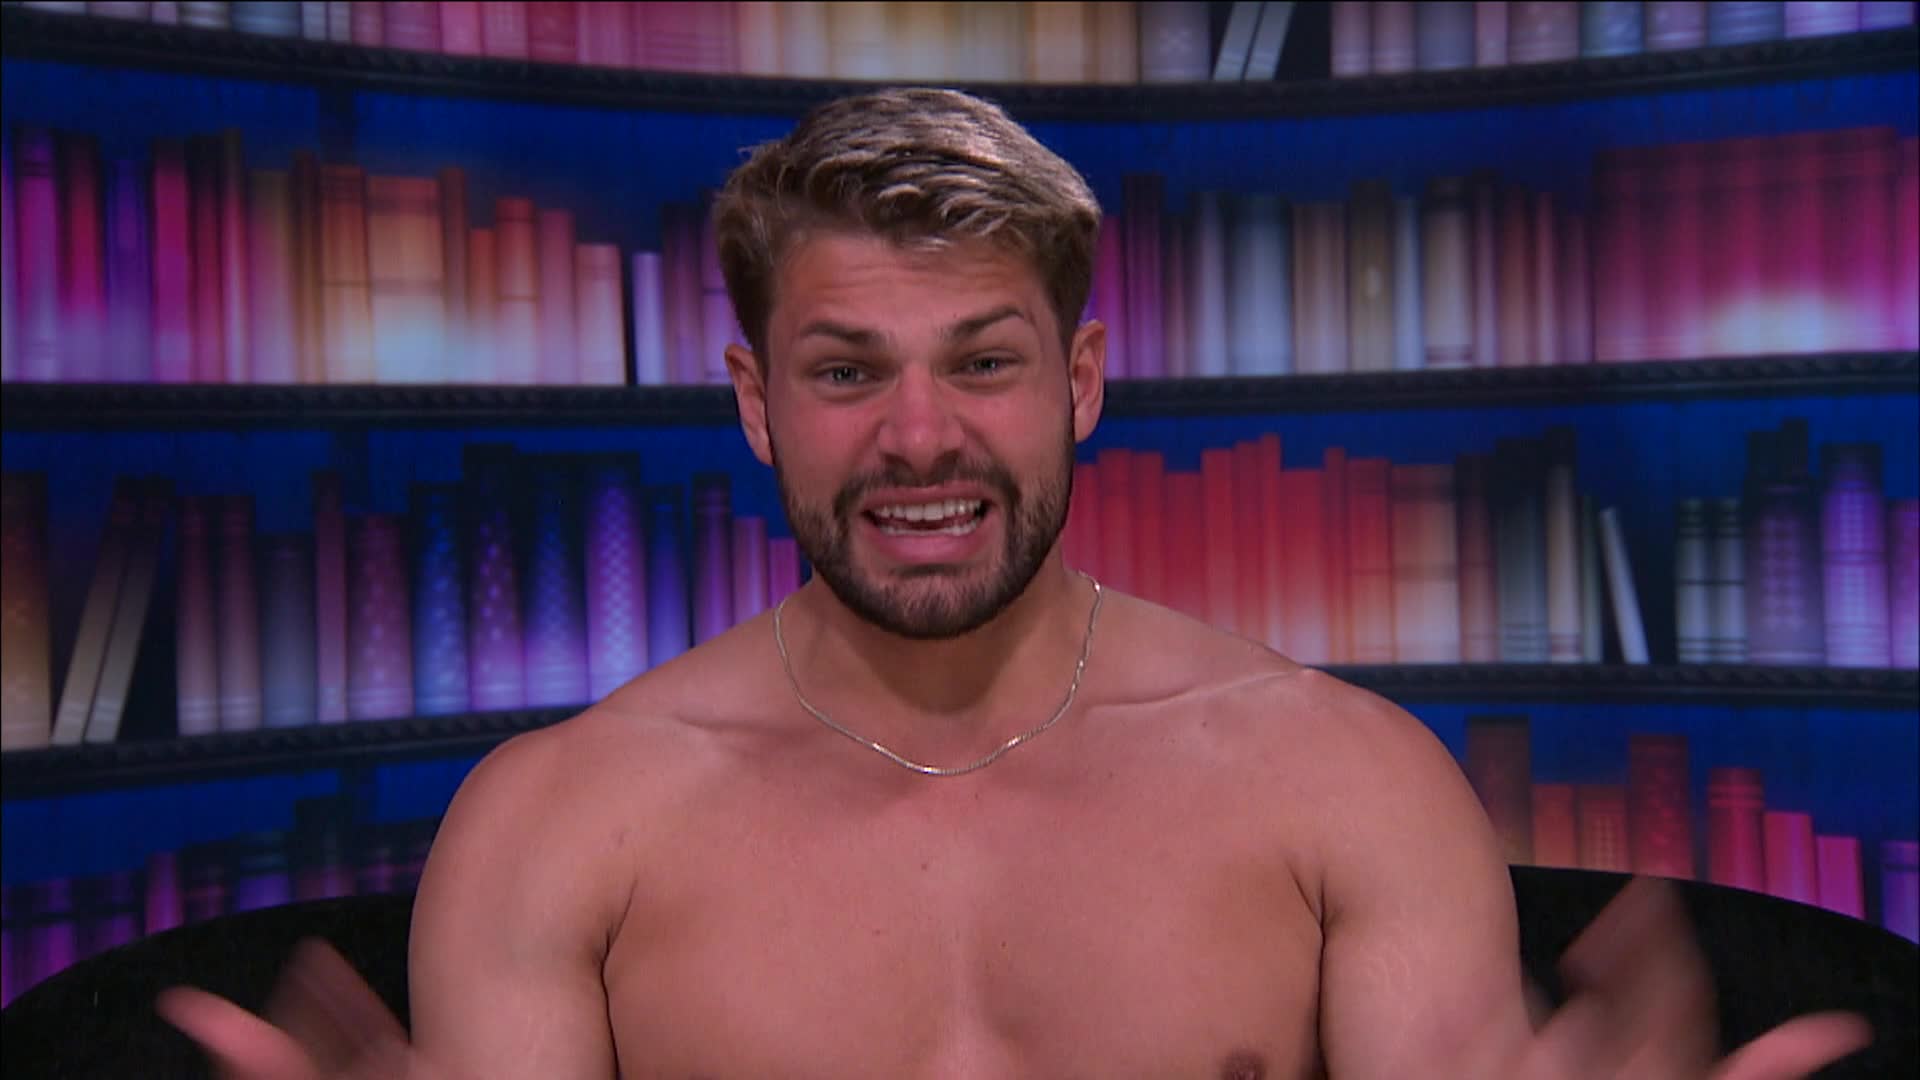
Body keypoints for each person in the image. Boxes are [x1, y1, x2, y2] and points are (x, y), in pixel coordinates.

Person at [158, 87, 1872, 1079]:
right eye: (846, 371)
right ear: (755, 402)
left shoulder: (1342, 782)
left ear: (1082, 382)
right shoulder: (560, 827)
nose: (920, 438)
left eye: (983, 361)